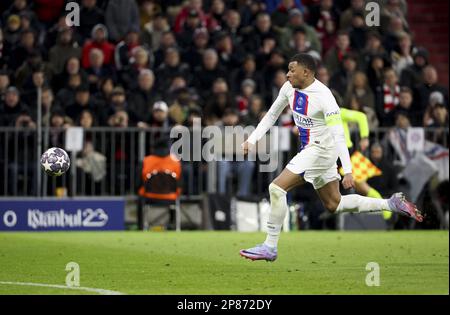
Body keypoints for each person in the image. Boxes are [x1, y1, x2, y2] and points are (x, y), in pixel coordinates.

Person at [239, 54, 423, 262]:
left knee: (276, 188)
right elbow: (272, 114)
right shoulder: (289, 87)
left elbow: (338, 135)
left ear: (306, 72)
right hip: (312, 151)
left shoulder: (324, 97)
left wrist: (349, 170)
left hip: (321, 150)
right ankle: (390, 204)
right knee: (334, 204)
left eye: (292, 69)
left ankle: (270, 246)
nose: (287, 74)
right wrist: (252, 140)